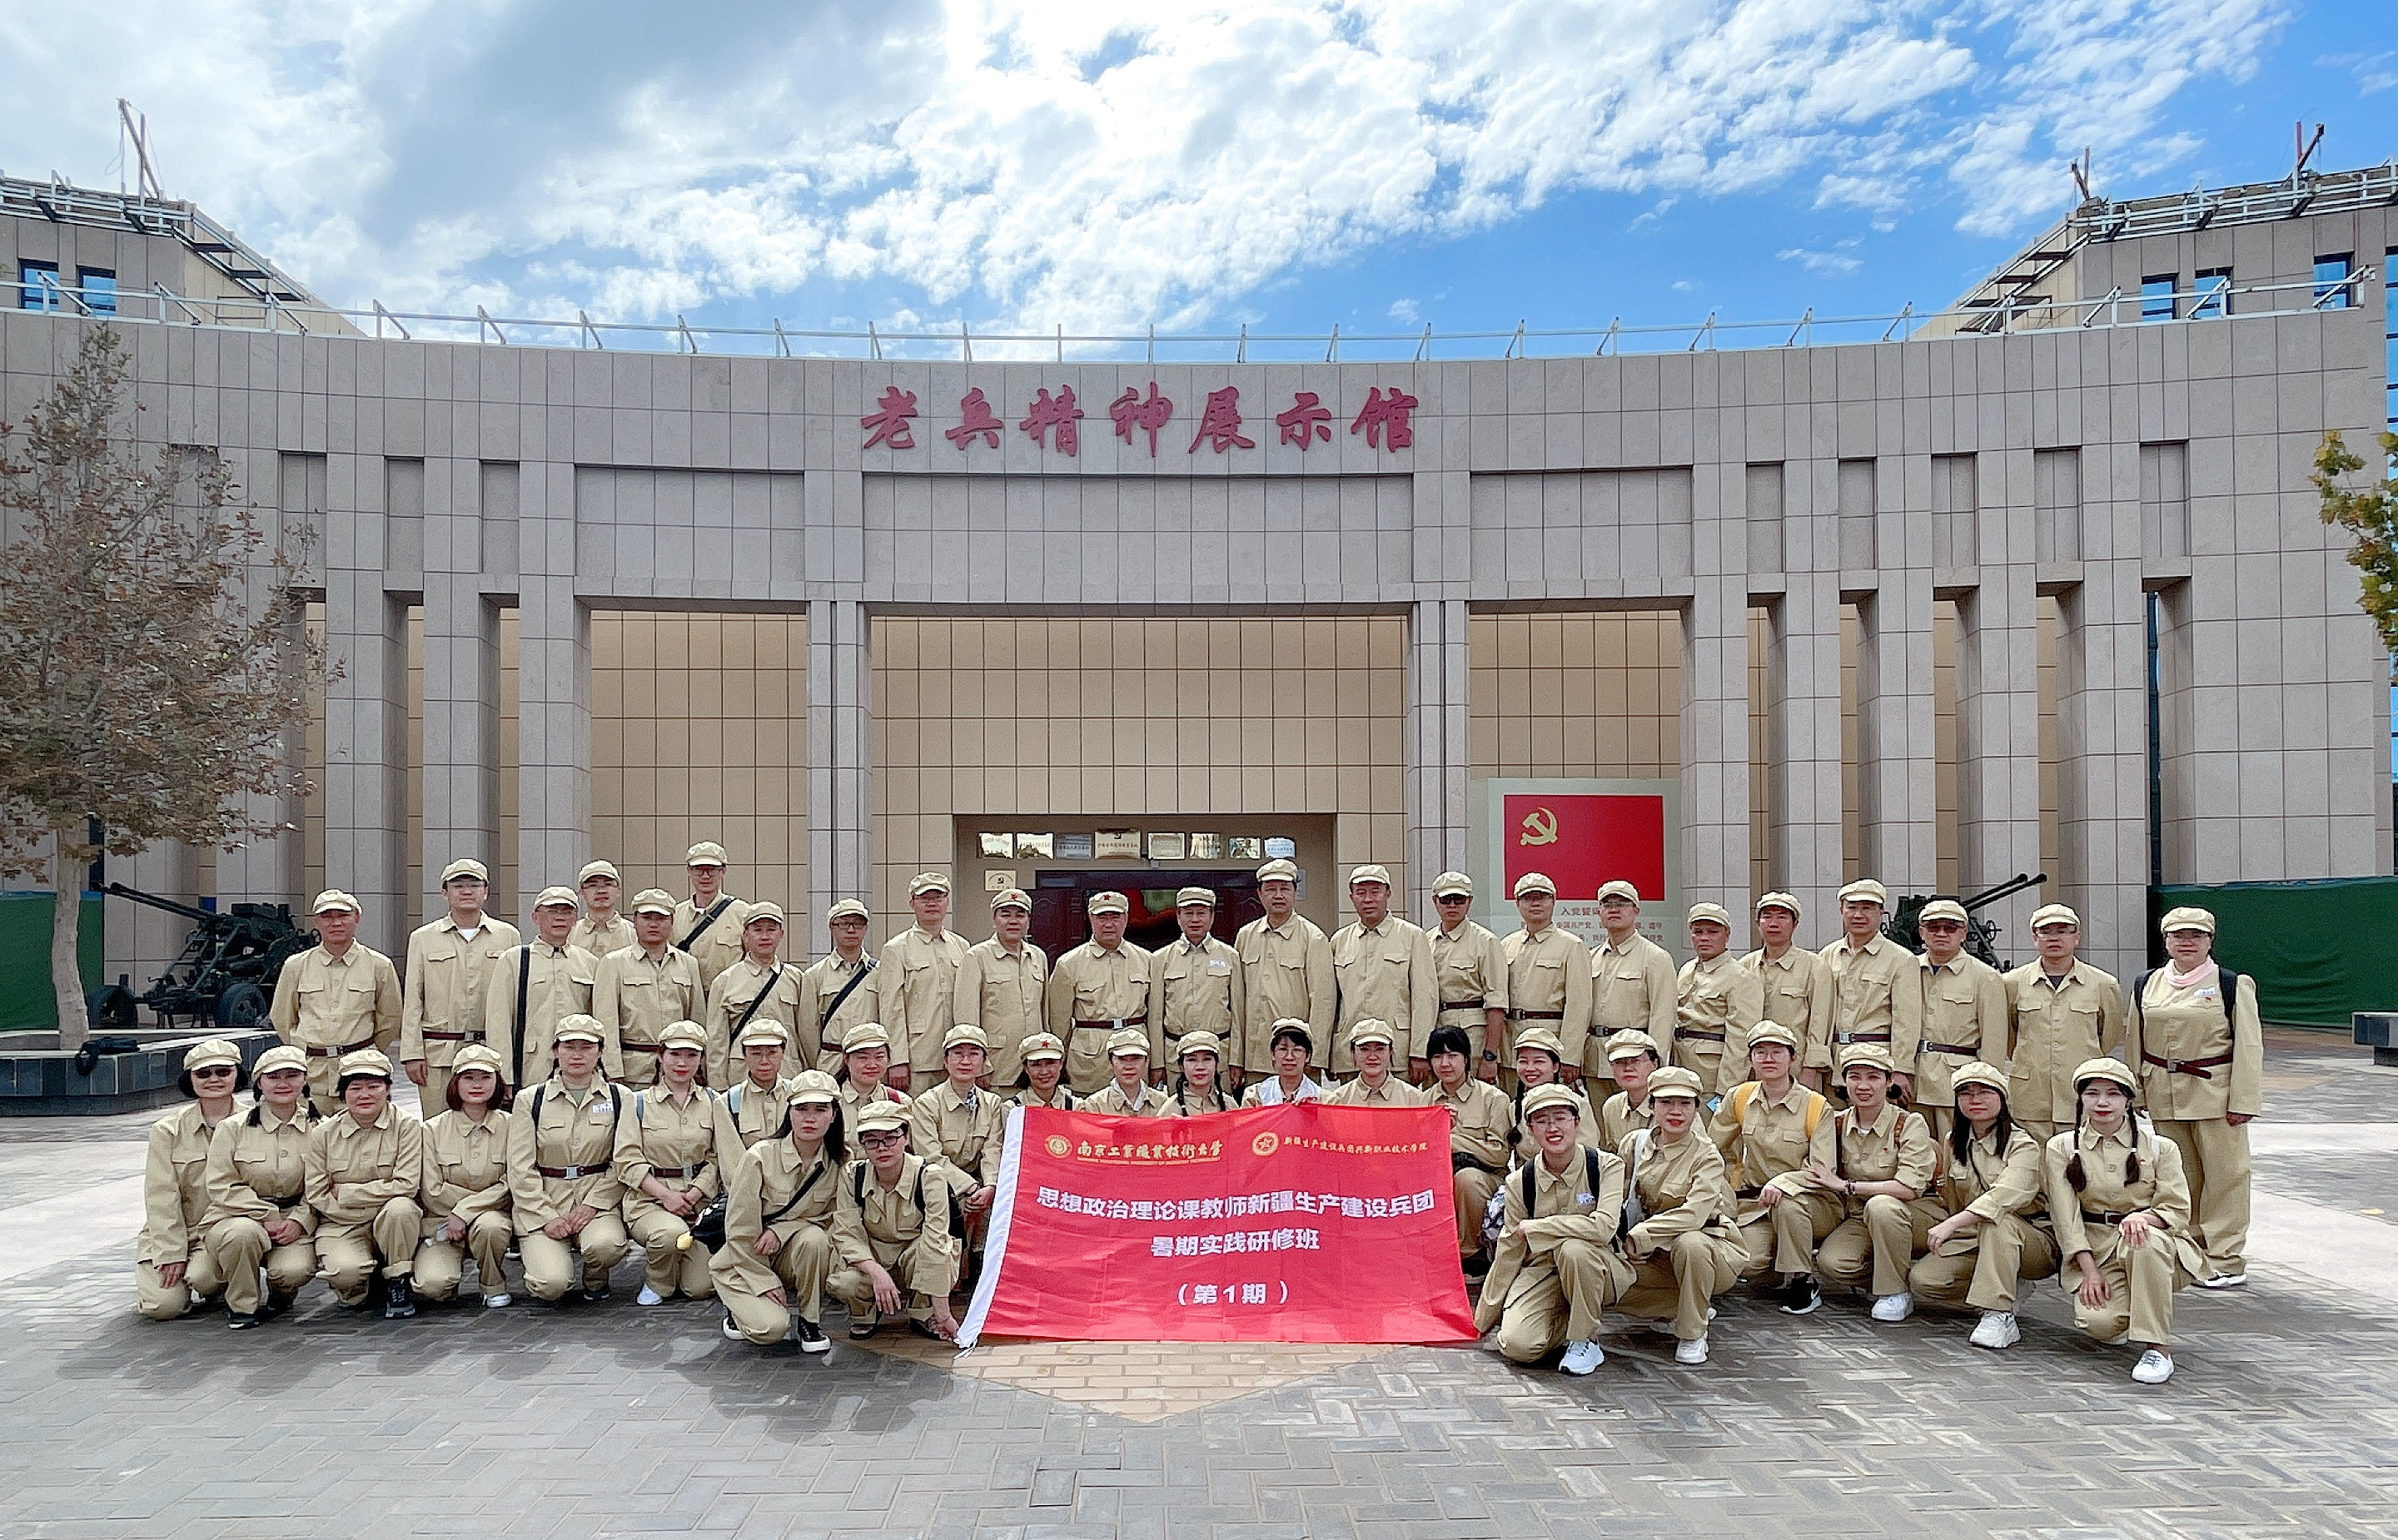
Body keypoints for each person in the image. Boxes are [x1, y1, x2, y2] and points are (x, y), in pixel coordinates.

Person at [2044, 1057, 2206, 1384]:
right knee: (2099, 1325)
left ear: (2128, 1100)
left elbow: (2176, 1209)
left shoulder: (2161, 1148)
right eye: (2093, 1094)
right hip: (2097, 1246)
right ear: (2081, 1099)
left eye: (2113, 1094)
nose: (2102, 1103)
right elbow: (2066, 1217)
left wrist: (2145, 1217)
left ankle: (2158, 1350)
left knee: (2143, 1241)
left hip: (2153, 1244)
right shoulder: (2061, 1147)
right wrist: (2088, 1270)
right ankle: (2139, 1303)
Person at [2132, 905, 2263, 1289]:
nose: (2186, 943)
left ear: (2210, 941)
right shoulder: (2147, 983)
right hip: (2163, 1092)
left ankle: (2225, 1256)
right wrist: (2137, 1093)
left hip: (2214, 1092)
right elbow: (2134, 1041)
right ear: (2166, 940)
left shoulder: (2231, 984)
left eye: (2196, 936)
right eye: (2178, 936)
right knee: (2178, 1175)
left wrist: (2243, 1101)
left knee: (2226, 1176)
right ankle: (2189, 1249)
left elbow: (2249, 1046)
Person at [1475, 1083, 1632, 1374]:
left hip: (1600, 1266)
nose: (1552, 1128)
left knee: (1573, 1249)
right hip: (1543, 1271)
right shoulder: (1521, 1182)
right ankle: (1569, 1320)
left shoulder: (1606, 1166)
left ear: (1576, 1122)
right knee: (1516, 1346)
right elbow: (1509, 1252)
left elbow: (1603, 1228)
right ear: (1530, 1130)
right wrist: (1482, 1320)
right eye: (1542, 1120)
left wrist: (1539, 1228)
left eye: (1560, 1118)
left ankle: (1585, 1339)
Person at [1909, 1063, 2057, 1349]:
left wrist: (1952, 1224)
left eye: (1984, 1092)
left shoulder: (2023, 1144)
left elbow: (2004, 1197)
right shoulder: (1954, 1142)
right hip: (1973, 1235)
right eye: (1965, 1093)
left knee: (1997, 1222)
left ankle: (1998, 1314)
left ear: (2002, 1098)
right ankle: (2004, 1284)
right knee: (1925, 1281)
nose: (1974, 1100)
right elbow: (1951, 1198)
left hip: (2031, 1239)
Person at [1610, 1066, 1747, 1364]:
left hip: (1710, 1251)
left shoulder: (1706, 1154)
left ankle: (1692, 1332)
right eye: (1666, 1102)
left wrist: (1640, 1236)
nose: (1676, 1111)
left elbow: (1694, 1215)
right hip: (1652, 1254)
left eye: (1685, 1103)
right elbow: (1616, 1198)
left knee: (1690, 1243)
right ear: (1651, 1106)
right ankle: (1678, 1305)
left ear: (1697, 1109)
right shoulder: (1633, 1144)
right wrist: (1618, 1240)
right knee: (1603, 1278)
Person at [713, 1070, 845, 1352]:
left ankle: (810, 1321)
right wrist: (764, 1282)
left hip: (788, 1252)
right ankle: (737, 1308)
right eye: (802, 1109)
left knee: (815, 1240)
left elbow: (833, 1218)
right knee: (769, 1330)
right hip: (745, 1258)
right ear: (790, 1112)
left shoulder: (840, 1162)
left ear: (834, 1114)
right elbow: (739, 1231)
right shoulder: (759, 1157)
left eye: (820, 1109)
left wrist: (782, 1229)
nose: (810, 1118)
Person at [1807, 1045, 1940, 1324]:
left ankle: (1895, 1292)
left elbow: (1908, 1188)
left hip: (1913, 1215)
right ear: (1844, 1082)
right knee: (1833, 1263)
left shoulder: (1909, 1123)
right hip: (1860, 1217)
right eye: (1854, 1077)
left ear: (1889, 1082)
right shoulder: (1836, 1123)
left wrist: (1848, 1187)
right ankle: (1886, 1276)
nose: (1863, 1085)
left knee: (1882, 1206)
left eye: (1873, 1077)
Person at [1709, 1024, 1838, 1308]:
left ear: (1792, 1058)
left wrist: (1784, 1183)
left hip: (1811, 1202)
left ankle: (1802, 1280)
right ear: (1750, 1059)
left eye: (1777, 1052)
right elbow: (1711, 1147)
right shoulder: (1739, 1097)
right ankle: (1773, 1266)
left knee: (1789, 1205)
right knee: (1747, 1264)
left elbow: (1822, 1168)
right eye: (1761, 1052)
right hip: (1756, 1205)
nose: (1769, 1059)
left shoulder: (1816, 1105)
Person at [505, 1017, 629, 1304]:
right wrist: (546, 1216)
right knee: (551, 1285)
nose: (577, 1054)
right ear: (555, 1050)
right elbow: (520, 1167)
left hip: (597, 1198)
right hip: (545, 1199)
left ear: (600, 1052)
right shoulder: (530, 1100)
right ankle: (549, 1260)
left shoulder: (619, 1097)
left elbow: (623, 1159)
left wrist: (592, 1205)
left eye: (586, 1047)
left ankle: (596, 1276)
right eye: (568, 1046)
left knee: (606, 1245)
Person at [203, 1043, 320, 1329]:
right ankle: (243, 1306)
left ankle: (282, 1295)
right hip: (237, 1216)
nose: (283, 1084)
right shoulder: (232, 1128)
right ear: (259, 1082)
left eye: (292, 1075)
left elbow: (323, 1184)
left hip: (295, 1217)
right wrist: (265, 1214)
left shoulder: (321, 1128)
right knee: (242, 1235)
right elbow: (221, 1184)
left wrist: (300, 1220)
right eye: (273, 1077)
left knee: (292, 1271)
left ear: (305, 1080)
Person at [615, 1021, 730, 1306]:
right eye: (675, 1054)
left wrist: (693, 1194)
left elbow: (718, 1157)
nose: (682, 1063)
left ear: (701, 1060)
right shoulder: (638, 1102)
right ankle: (658, 1279)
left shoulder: (715, 1102)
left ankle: (680, 1264)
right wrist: (666, 1196)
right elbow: (627, 1160)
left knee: (699, 1288)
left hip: (699, 1202)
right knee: (670, 1234)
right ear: (660, 1056)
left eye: (691, 1056)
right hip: (650, 1201)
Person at [305, 1048, 424, 1319]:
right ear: (343, 1092)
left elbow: (406, 1185)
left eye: (374, 1086)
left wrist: (347, 1193)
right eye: (355, 1087)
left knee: (401, 1209)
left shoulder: (407, 1127)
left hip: (390, 1221)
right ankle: (367, 1279)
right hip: (342, 1223)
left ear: (389, 1088)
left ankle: (398, 1281)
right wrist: (357, 1206)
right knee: (347, 1279)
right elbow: (317, 1192)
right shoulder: (323, 1133)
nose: (365, 1095)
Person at [829, 1103, 961, 1341]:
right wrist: (878, 1274)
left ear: (906, 1137)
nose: (882, 1148)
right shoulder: (852, 1176)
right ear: (862, 1144)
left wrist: (944, 1314)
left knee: (938, 1251)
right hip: (875, 1258)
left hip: (914, 1259)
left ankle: (925, 1313)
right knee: (844, 1281)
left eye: (890, 1138)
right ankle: (864, 1314)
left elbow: (936, 1242)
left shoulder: (929, 1176)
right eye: (872, 1141)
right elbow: (847, 1233)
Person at [399, 857, 521, 1114]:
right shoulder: (423, 938)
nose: (467, 891)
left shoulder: (508, 936)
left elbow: (515, 1001)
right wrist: (412, 1053)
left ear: (486, 892)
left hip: (491, 1051)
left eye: (474, 885)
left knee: (492, 1126)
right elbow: (413, 999)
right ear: (445, 892)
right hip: (439, 1054)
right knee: (437, 1128)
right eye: (458, 885)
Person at [136, 1040, 246, 1320]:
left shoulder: (255, 1123)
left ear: (237, 1075)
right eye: (203, 1074)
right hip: (176, 1230)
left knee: (204, 1278)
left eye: (223, 1072)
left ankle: (215, 1281)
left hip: (221, 1230)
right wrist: (171, 1251)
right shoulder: (167, 1131)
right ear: (190, 1079)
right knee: (162, 1308)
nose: (214, 1080)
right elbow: (161, 1196)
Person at [269, 889, 403, 1114]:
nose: (336, 923)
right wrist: (302, 1049)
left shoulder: (379, 965)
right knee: (311, 1136)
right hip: (312, 1070)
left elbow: (390, 1017)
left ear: (357, 919)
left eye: (343, 916)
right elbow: (282, 1017)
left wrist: (367, 1050)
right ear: (316, 921)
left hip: (359, 1070)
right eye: (327, 917)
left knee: (360, 1135)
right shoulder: (296, 966)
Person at [2002, 904, 2127, 1143]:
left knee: (2081, 1167)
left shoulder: (2103, 984)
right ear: (2034, 937)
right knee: (2032, 1167)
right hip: (2031, 1096)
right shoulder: (2012, 983)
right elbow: (2009, 1036)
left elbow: (2108, 1037)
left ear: (2076, 937)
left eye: (2063, 930)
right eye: (2046, 931)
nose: (2054, 937)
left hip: (2079, 1095)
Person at [415, 1042, 516, 1309]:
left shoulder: (513, 1126)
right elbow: (432, 1189)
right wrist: (461, 1213)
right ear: (455, 1083)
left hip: (491, 1218)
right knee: (433, 1287)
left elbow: (511, 1183)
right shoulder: (431, 1129)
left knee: (491, 1227)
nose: (477, 1085)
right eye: (468, 1077)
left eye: (486, 1077)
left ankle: (493, 1283)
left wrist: (467, 1210)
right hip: (442, 1222)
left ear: (498, 1083)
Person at [482, 887, 599, 1094]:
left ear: (575, 918)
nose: (560, 918)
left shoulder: (589, 962)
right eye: (552, 911)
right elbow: (498, 1022)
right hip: (529, 1066)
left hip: (578, 1066)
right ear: (535, 917)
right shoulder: (514, 959)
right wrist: (504, 1075)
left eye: (566, 911)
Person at [1913, 897, 2009, 1141]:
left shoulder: (1984, 977)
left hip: (1957, 1081)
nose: (1942, 934)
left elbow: (1994, 1041)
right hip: (1913, 1080)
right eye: (1934, 928)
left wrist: (1986, 1088)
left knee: (1956, 1151)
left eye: (1951, 928)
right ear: (1922, 933)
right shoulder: (1907, 970)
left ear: (1964, 933)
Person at [1328, 865, 1436, 1080]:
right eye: (1361, 892)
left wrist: (1419, 1052)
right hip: (1350, 1054)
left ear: (1388, 893)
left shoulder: (1412, 937)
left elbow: (1425, 999)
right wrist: (1330, 1056)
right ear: (1351, 897)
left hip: (1398, 1054)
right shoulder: (1339, 941)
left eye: (1375, 891)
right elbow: (1332, 1002)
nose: (1368, 899)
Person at [1820, 880, 1923, 1102]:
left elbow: (1907, 1020)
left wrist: (1900, 1068)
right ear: (1841, 911)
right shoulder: (1828, 956)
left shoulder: (1901, 959)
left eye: (1867, 908)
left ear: (1881, 912)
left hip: (1877, 1064)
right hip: (1836, 1064)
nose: (1858, 915)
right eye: (1852, 908)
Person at [1233, 857, 1335, 1081]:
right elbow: (1237, 1001)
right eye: (1270, 889)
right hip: (1256, 1056)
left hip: (1296, 1058)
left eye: (1284, 889)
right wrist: (1236, 1058)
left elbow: (1323, 1002)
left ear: (1295, 892)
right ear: (1259, 894)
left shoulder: (1313, 938)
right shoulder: (1246, 936)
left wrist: (1314, 1057)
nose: (1278, 895)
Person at [907, 1026, 1005, 1257]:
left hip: (981, 1185)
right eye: (958, 1054)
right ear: (945, 1060)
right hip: (939, 1184)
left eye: (974, 1054)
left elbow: (993, 1149)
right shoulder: (926, 1104)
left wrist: (990, 1186)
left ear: (984, 1061)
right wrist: (969, 1187)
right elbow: (930, 1157)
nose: (965, 1061)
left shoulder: (992, 1104)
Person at [592, 887, 704, 1089]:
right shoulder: (613, 963)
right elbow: (605, 1022)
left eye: (661, 918)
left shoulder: (688, 964)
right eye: (647, 917)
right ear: (635, 920)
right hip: (633, 1072)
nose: (654, 924)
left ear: (671, 921)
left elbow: (697, 1020)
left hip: (679, 1070)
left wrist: (698, 1067)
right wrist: (613, 1072)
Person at [1046, 890, 1153, 1095]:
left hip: (1134, 1050)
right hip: (1089, 1058)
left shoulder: (1146, 960)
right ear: (1090, 918)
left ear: (1126, 918)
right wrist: (1059, 1061)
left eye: (1115, 916)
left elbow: (1155, 1015)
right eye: (1101, 917)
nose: (1108, 923)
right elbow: (1059, 1022)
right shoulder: (1069, 963)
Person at [1426, 1025, 1515, 1271]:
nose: (1445, 1063)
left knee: (1467, 1180)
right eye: (1437, 1057)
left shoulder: (1494, 1098)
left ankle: (1471, 1255)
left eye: (1452, 1055)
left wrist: (1451, 1139)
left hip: (1485, 1178)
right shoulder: (1423, 1101)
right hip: (1437, 1176)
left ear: (1466, 1059)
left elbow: (1499, 1155)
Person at [1586, 880, 1677, 1096]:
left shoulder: (1656, 958)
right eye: (1608, 905)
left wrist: (1657, 1064)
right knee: (1603, 1126)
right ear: (1599, 912)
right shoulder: (1591, 958)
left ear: (1636, 911)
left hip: (1636, 1062)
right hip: (1596, 1060)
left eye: (1622, 904)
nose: (1614, 909)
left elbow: (1663, 1016)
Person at [703, 903, 808, 1089]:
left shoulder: (796, 979)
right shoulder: (725, 981)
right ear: (745, 935)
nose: (765, 936)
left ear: (781, 934)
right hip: (741, 1075)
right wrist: (718, 1086)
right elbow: (716, 1040)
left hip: (787, 1074)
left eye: (771, 930)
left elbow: (805, 1035)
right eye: (757, 930)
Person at [881, 871, 969, 1090]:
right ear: (912, 903)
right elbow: (891, 1008)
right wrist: (898, 1059)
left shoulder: (962, 947)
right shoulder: (896, 949)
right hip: (918, 1058)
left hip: (958, 1056)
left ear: (947, 902)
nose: (932, 904)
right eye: (924, 898)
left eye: (938, 897)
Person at [1500, 872, 1589, 1086]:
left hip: (1550, 1045)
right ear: (1517, 904)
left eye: (1542, 897)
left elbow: (1579, 1005)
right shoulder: (1506, 945)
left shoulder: (1571, 946)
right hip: (1512, 1043)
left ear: (1554, 902)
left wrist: (1569, 1057)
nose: (1536, 903)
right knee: (1513, 1106)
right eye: (1528, 898)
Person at [955, 888, 1047, 1090]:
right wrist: (979, 1066)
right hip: (997, 1066)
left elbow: (1045, 1013)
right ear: (994, 919)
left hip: (1035, 1068)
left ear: (1028, 921)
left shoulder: (1038, 957)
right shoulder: (976, 957)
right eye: (1005, 914)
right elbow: (966, 1020)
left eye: (1020, 915)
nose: (1013, 921)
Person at [1744, 892, 1833, 1090]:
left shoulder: (1815, 967)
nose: (1773, 923)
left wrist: (1810, 1071)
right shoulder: (1744, 967)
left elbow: (1820, 1024)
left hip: (1796, 1069)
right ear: (1758, 923)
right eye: (1767, 916)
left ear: (1795, 924)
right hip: (1753, 1069)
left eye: (1782, 917)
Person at [1151, 887, 1243, 1076]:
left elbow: (1238, 1014)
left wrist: (1236, 1060)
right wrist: (1157, 1063)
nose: (1195, 919)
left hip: (1219, 1056)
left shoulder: (1230, 956)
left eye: (1201, 913)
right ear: (1178, 916)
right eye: (1188, 913)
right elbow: (1155, 1016)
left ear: (1212, 916)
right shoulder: (1161, 958)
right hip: (1176, 1056)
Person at [1674, 903, 1762, 1095]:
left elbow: (1740, 1040)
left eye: (1713, 932)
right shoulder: (1686, 970)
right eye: (1698, 932)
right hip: (1679, 1064)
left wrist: (1726, 1090)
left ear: (1727, 935)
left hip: (1711, 1073)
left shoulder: (1741, 978)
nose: (1704, 938)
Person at [1431, 872, 1511, 1080]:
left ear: (1470, 902)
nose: (1452, 905)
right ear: (1434, 901)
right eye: (1445, 899)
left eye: (1459, 899)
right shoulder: (1426, 941)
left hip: (1473, 1037)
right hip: (1435, 1033)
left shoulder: (1486, 942)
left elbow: (1497, 1002)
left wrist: (1490, 1055)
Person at [800, 899, 881, 1074]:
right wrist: (819, 1061)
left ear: (866, 928)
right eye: (844, 924)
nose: (851, 930)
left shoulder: (880, 973)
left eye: (857, 924)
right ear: (831, 927)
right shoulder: (814, 975)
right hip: (831, 1062)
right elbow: (808, 1029)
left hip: (870, 1062)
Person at [1506, 1028, 1602, 1157]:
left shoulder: (1577, 1104)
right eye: (1523, 1061)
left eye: (1539, 1061)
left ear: (1555, 1066)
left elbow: (1589, 1151)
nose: (1529, 1068)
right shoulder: (1515, 1107)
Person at [674, 841, 754, 991]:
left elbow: (754, 961)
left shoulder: (742, 913)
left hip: (729, 998)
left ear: (723, 871)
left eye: (712, 869)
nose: (706, 876)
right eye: (699, 869)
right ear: (688, 871)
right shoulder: (675, 916)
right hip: (686, 999)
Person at [716, 1020, 800, 1150]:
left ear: (783, 1053)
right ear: (744, 1055)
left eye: (772, 1053)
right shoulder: (728, 1103)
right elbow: (731, 1160)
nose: (764, 1061)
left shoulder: (797, 1095)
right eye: (756, 1054)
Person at [1325, 1020, 1431, 1106]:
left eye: (1380, 1049)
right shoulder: (1338, 1101)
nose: (1372, 1056)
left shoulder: (1414, 1100)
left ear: (1391, 1051)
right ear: (1353, 1053)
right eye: (1364, 1049)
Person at [1596, 1030, 1662, 1154]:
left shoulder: (1671, 1103)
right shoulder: (1612, 1107)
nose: (1628, 1068)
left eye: (1636, 1061)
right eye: (1620, 1062)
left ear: (1655, 1064)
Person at [1084, 1029, 1174, 1115]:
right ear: (1110, 1063)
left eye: (1136, 1059)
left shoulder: (1164, 1104)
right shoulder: (1095, 1105)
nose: (1129, 1066)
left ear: (1147, 1061)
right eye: (1121, 1059)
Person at [1240, 1021, 1330, 1105]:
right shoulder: (1256, 1096)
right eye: (1283, 1049)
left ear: (1308, 1056)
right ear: (1273, 1054)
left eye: (1297, 1050)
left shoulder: (1322, 1099)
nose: (1289, 1057)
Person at [835, 1024, 912, 1122]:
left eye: (879, 1057)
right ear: (846, 1059)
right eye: (863, 1058)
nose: (872, 1065)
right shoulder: (831, 1102)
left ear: (888, 1059)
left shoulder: (901, 1102)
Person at [569, 859, 634, 960]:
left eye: (608, 884)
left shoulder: (633, 933)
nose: (601, 891)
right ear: (581, 893)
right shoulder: (570, 934)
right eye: (592, 885)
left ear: (618, 890)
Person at [1163, 1031, 1236, 1115]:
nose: (1200, 1067)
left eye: (1207, 1059)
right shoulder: (1171, 1109)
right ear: (1181, 1066)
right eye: (1192, 1060)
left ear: (1216, 1065)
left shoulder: (1229, 1105)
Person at [1011, 1032, 1077, 1110]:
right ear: (1026, 1068)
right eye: (1036, 1065)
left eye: (1050, 1063)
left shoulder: (1076, 1106)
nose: (1044, 1072)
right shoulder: (1012, 1108)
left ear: (1061, 1064)